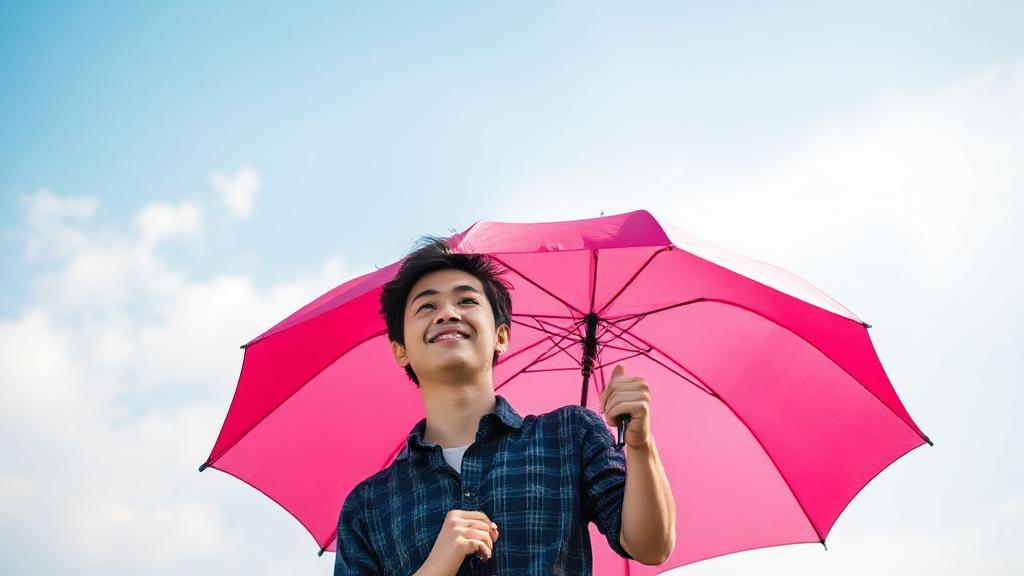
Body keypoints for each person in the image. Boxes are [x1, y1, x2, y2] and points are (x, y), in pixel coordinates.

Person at [334, 237, 675, 575]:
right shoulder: (368, 506)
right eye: (427, 306)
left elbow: (650, 545)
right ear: (400, 350)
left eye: (466, 300)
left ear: (501, 336)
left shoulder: (569, 434)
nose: (448, 314)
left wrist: (641, 444)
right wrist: (437, 566)